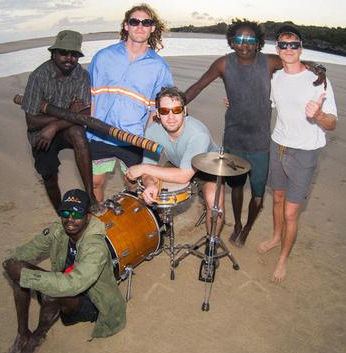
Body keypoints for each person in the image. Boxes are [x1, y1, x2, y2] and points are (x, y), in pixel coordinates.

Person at [185, 20, 324, 247]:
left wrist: (316, 67)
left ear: (259, 43)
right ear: (232, 42)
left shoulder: (268, 62)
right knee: (236, 187)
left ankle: (248, 226)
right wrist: (175, 106)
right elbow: (198, 86)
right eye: (239, 39)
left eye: (250, 40)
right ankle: (238, 223)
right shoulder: (223, 64)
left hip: (260, 143)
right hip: (234, 140)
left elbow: (294, 62)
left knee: (258, 192)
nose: (244, 44)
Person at [3, 189, 126, 353]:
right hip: (66, 281)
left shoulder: (95, 247)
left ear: (88, 216)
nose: (70, 219)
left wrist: (26, 276)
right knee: (18, 269)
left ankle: (39, 334)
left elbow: (75, 284)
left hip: (91, 300)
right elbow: (34, 247)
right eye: (65, 213)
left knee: (50, 292)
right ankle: (22, 332)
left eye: (77, 214)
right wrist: (11, 261)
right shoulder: (58, 229)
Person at [256, 25, 337, 283]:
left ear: (300, 48)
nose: (288, 49)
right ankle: (276, 237)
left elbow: (332, 123)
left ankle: (282, 259)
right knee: (277, 199)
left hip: (305, 152)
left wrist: (319, 115)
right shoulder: (275, 77)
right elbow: (265, 105)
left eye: (294, 44)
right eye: (283, 44)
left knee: (292, 212)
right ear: (277, 49)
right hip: (277, 145)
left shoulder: (317, 80)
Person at [88, 3, 173, 202]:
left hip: (134, 138)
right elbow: (90, 96)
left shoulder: (159, 67)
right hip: (99, 134)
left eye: (146, 22)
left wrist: (148, 144)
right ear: (126, 26)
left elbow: (156, 110)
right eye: (134, 21)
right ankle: (99, 225)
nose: (140, 26)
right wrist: (88, 133)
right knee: (94, 183)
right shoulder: (103, 57)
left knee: (134, 185)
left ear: (153, 27)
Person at [125, 87, 223, 234]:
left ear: (185, 111)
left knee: (214, 203)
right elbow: (149, 169)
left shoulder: (198, 134)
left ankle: (211, 244)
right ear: (158, 114)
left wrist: (143, 168)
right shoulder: (153, 131)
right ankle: (164, 225)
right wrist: (150, 184)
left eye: (176, 110)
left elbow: (183, 175)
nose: (171, 116)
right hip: (179, 162)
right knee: (155, 193)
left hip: (208, 166)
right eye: (165, 111)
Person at [21, 30, 96, 211]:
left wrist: (54, 125)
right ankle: (60, 211)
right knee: (49, 176)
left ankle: (91, 197)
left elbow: (84, 114)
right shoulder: (38, 77)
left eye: (74, 54)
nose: (69, 58)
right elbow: (32, 122)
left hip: (65, 128)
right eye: (63, 53)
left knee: (79, 134)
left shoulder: (82, 76)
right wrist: (69, 113)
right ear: (53, 53)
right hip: (41, 134)